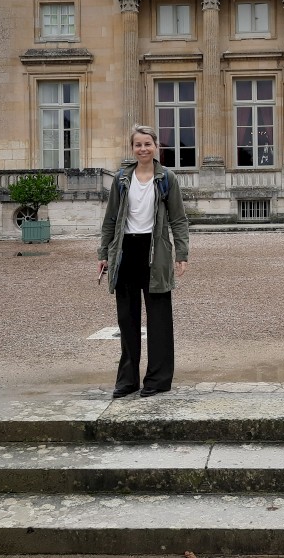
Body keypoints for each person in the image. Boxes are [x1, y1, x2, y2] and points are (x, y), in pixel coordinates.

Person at [97, 124, 189, 399]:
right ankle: (127, 380)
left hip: (155, 251)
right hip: (125, 250)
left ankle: (158, 379)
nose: (143, 148)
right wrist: (103, 253)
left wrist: (181, 254)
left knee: (159, 319)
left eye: (148, 144)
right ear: (132, 148)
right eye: (138, 144)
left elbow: (178, 219)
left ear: (156, 146)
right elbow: (110, 219)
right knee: (127, 319)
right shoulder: (121, 179)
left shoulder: (167, 178)